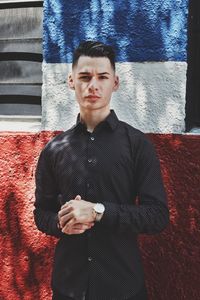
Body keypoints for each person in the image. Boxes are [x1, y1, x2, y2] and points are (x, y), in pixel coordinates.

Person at [34, 40, 169, 300]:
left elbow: (157, 216)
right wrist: (60, 223)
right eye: (84, 76)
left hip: (123, 288)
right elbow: (41, 213)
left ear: (115, 83)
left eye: (102, 77)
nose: (93, 85)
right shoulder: (54, 149)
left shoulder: (137, 145)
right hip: (68, 289)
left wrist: (98, 212)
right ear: (71, 81)